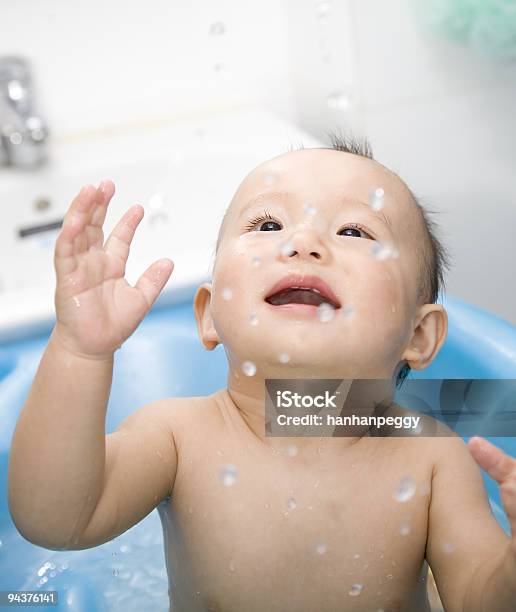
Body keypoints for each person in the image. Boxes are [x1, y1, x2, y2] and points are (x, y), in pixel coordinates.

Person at [8, 133, 516, 611]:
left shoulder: (432, 458)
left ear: (418, 336)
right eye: (268, 224)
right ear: (209, 314)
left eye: (353, 231)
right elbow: (57, 521)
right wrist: (80, 352)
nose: (303, 242)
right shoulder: (177, 438)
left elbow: (478, 596)